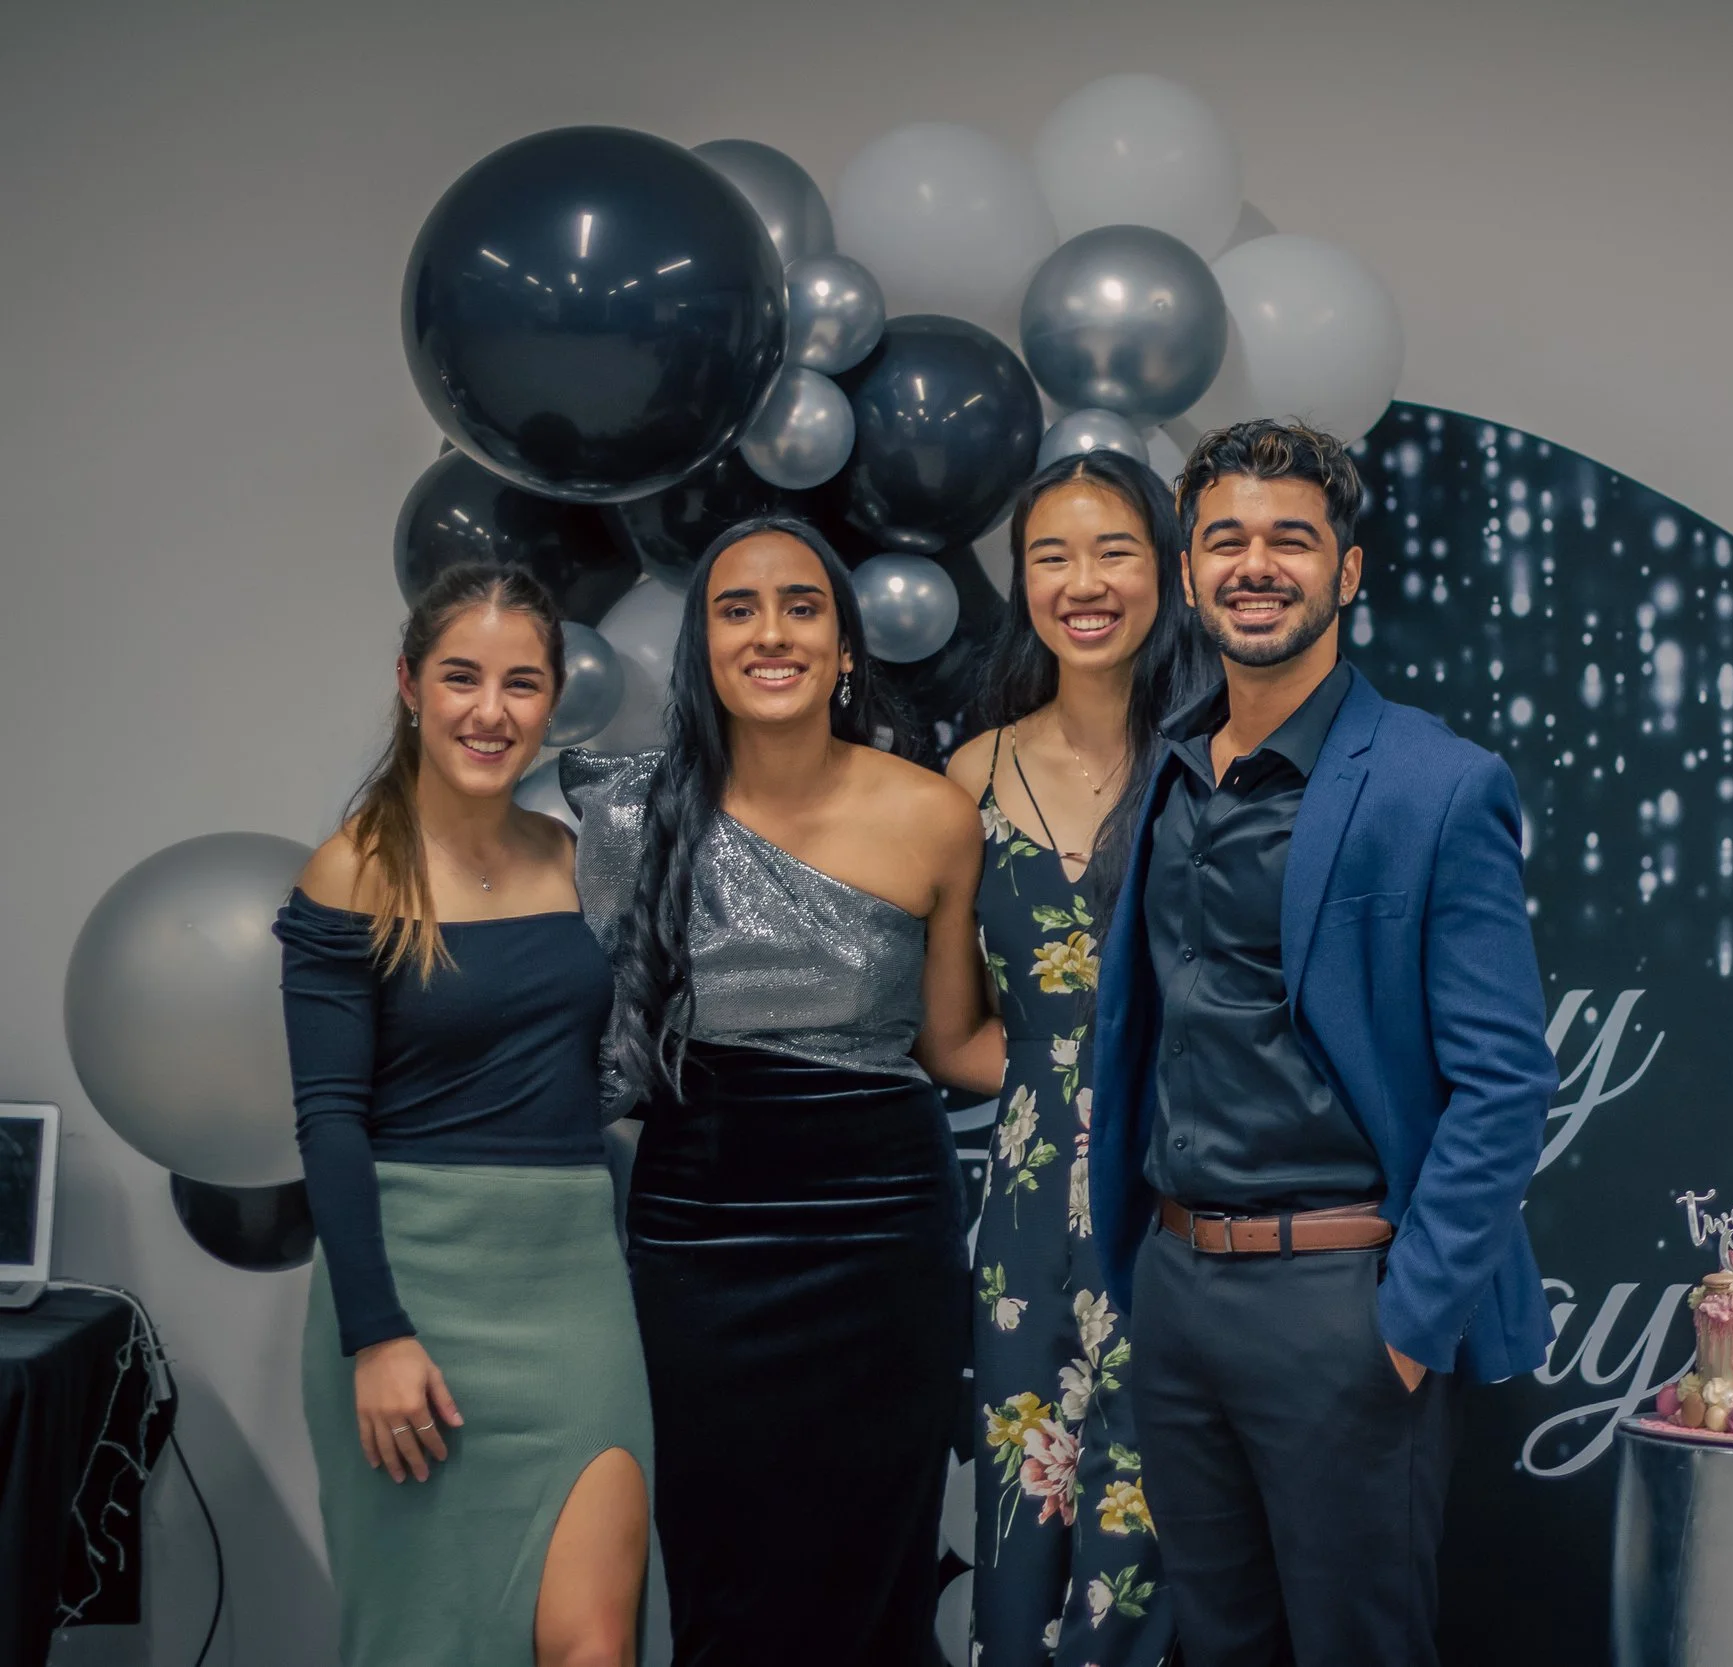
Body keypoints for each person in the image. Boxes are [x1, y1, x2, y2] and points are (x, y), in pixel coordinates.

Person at [1090, 421, 1560, 1666]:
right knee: (1217, 1645)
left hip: (1340, 1301)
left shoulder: (1437, 784)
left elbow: (1506, 1079)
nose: (1257, 564)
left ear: (1346, 572)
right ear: (1189, 574)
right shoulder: (1173, 769)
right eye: (1226, 539)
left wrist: (1405, 1322)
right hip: (1180, 1283)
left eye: (1291, 538)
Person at [563, 515, 1002, 1667]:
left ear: (846, 648)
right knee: (725, 1568)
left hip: (882, 1238)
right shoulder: (623, 813)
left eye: (802, 607)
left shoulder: (934, 813)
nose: (772, 632)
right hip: (698, 1232)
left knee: (875, 1572)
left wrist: (1136, 1053)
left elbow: (955, 1045)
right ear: (700, 644)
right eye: (738, 607)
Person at [275, 563, 650, 1667]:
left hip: (572, 1284)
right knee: (425, 1644)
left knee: (596, 1642)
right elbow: (329, 1120)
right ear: (409, 683)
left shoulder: (582, 864)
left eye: (521, 682)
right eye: (461, 676)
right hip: (412, 1293)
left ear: (552, 699)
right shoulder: (352, 873)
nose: (491, 710)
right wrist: (376, 1333)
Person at [943, 450, 1210, 1667]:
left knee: (1158, 1528)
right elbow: (948, 1032)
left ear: (1166, 569)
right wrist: (1061, 1082)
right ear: (1020, 581)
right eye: (1052, 555)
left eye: (1114, 550)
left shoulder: (1218, 761)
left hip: (1186, 1195)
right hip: (1025, 1224)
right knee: (1025, 1524)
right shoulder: (973, 774)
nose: (1083, 581)